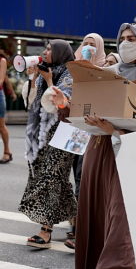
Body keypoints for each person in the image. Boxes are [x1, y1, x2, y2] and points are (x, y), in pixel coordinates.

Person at [52, 23, 136, 267]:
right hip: (96, 156)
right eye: (122, 38)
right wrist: (64, 105)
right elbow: (83, 111)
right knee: (94, 219)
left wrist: (116, 131)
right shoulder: (105, 75)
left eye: (132, 39)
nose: (126, 43)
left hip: (125, 163)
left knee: (119, 229)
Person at [18, 39, 77, 249]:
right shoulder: (45, 73)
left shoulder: (71, 73)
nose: (45, 52)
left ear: (61, 52)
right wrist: (35, 78)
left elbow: (59, 104)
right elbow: (30, 103)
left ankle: (46, 231)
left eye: (50, 49)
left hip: (65, 134)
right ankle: (79, 222)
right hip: (42, 136)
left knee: (50, 178)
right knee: (60, 181)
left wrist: (50, 81)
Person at [0, 52, 12, 163]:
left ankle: (7, 151)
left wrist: (12, 93)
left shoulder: (2, 61)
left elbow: (1, 81)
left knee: (1, 126)